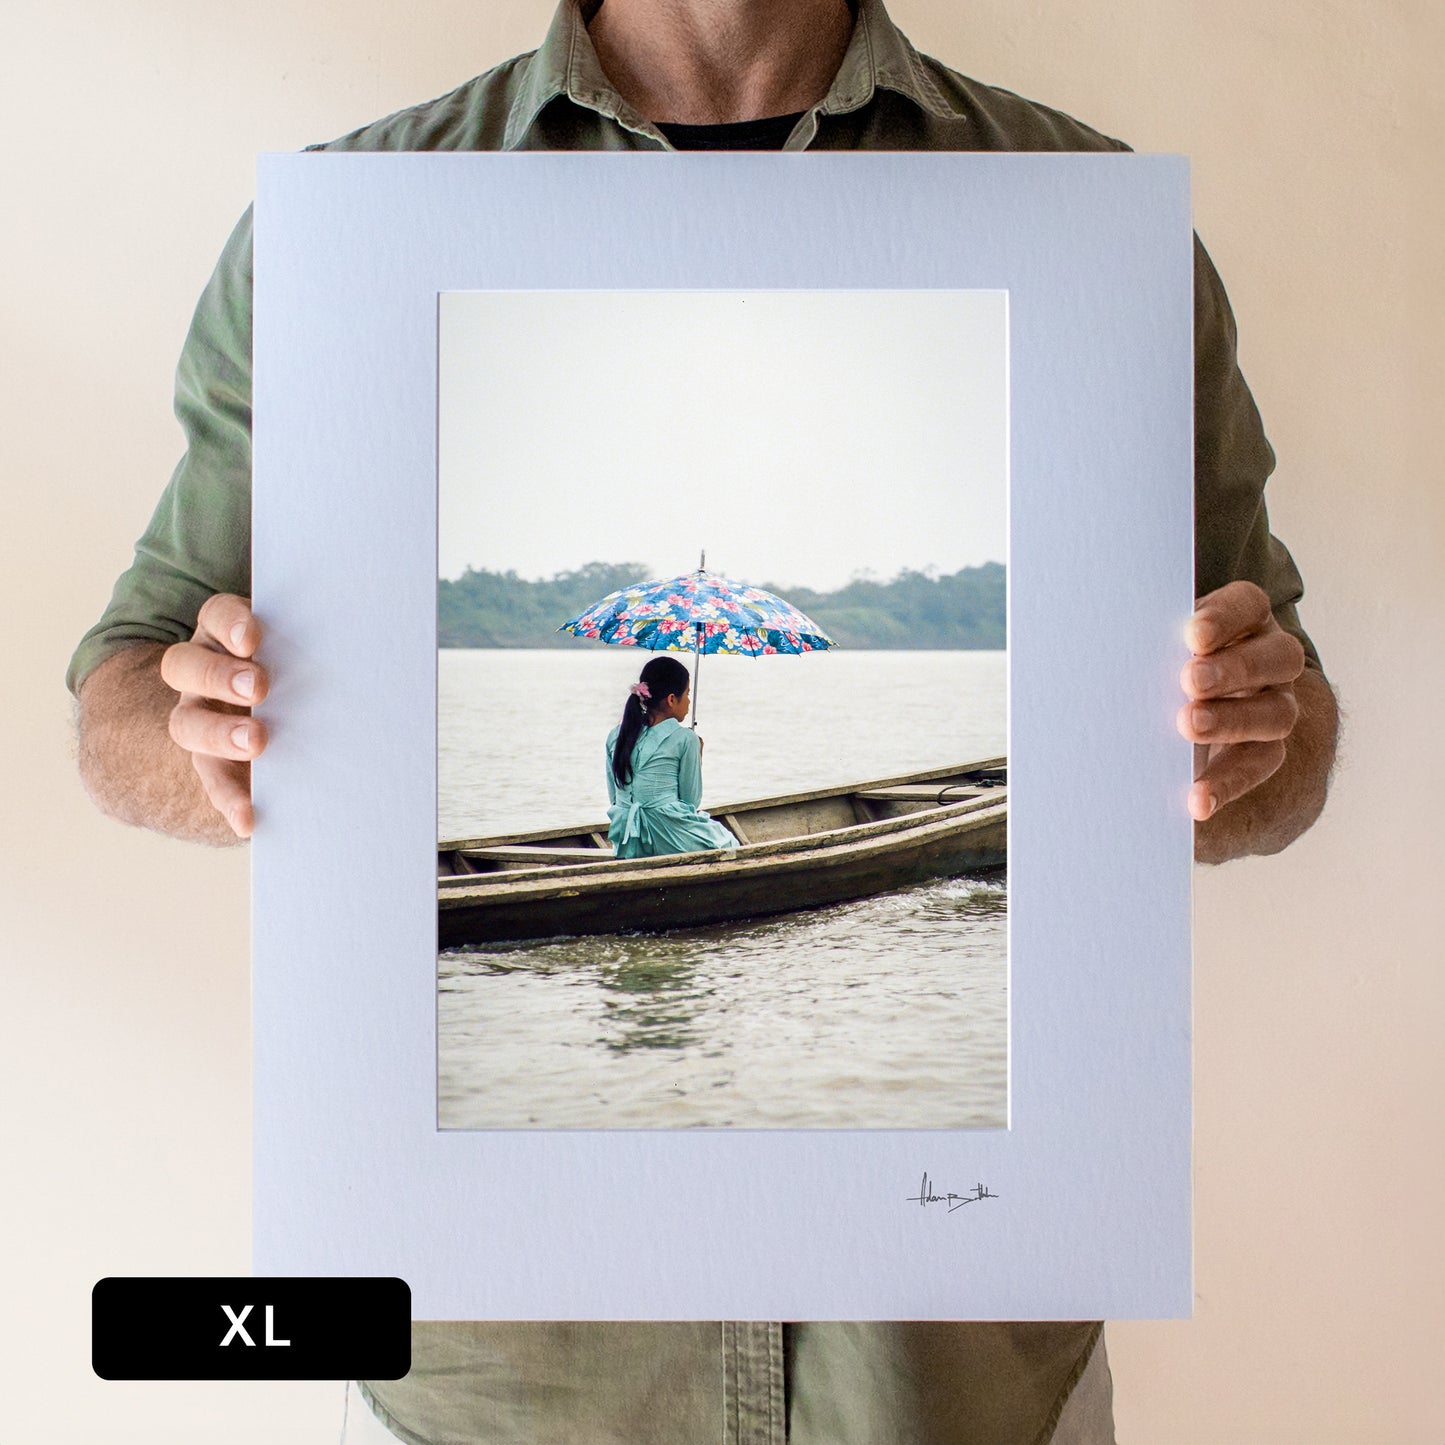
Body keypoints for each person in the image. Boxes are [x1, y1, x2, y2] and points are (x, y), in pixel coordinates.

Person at [68, 0, 1339, 1440]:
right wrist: (195, 736)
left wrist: (1252, 738)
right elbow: (119, 691)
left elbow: (1282, 766)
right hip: (494, 1393)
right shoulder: (348, 229)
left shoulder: (1093, 231)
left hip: (956, 1386)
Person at [606, 656, 741, 858]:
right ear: (671, 699)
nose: (688, 701)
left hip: (627, 839)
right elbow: (690, 802)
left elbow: (615, 798)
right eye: (687, 694)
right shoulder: (686, 739)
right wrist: (698, 756)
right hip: (669, 835)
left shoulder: (616, 735)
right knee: (729, 843)